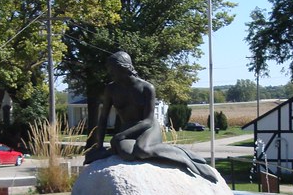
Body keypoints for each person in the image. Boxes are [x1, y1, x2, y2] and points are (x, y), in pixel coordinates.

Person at [84, 51, 219, 183]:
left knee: (143, 150)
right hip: (128, 129)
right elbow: (103, 119)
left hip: (147, 127)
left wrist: (121, 135)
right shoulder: (111, 89)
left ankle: (185, 157)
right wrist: (99, 146)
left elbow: (148, 121)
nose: (111, 73)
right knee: (127, 153)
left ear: (123, 68)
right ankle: (113, 150)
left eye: (113, 70)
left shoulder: (146, 88)